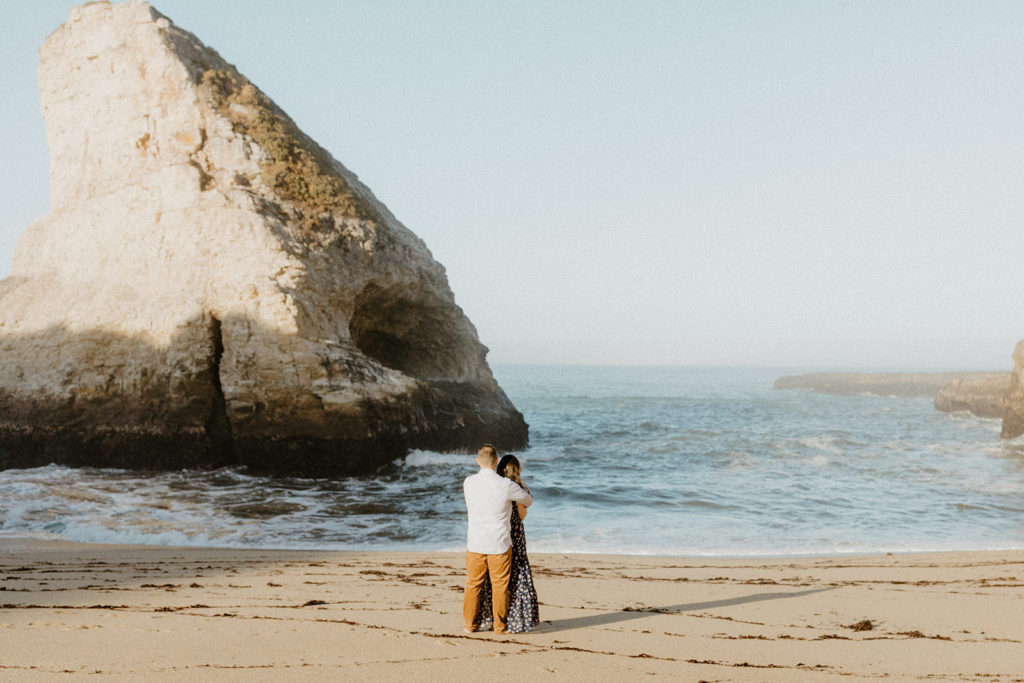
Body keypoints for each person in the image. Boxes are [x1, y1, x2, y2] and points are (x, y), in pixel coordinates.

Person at [463, 444, 533, 634]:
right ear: (496, 461)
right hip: (499, 543)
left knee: (473, 584)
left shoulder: (468, 482)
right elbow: (528, 500)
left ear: (478, 461)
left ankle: (470, 625)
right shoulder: (506, 485)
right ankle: (500, 626)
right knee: (500, 586)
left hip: (475, 542)